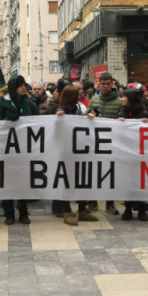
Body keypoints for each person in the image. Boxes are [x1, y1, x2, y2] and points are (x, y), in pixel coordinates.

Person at [0, 75, 39, 224]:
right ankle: (9, 213)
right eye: (20, 85)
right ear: (14, 86)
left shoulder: (29, 103)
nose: (23, 88)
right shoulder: (2, 105)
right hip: (7, 150)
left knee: (23, 181)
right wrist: (7, 121)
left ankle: (24, 212)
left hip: (25, 148)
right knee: (8, 181)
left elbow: (37, 122)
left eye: (24, 85)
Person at [54, 85, 99, 226]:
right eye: (76, 93)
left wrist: (90, 117)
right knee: (67, 182)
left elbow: (86, 120)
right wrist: (58, 119)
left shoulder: (80, 109)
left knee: (82, 182)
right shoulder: (60, 111)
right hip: (66, 152)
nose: (80, 94)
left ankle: (82, 210)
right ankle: (67, 211)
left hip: (80, 150)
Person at [86, 72, 122, 215]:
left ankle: (110, 203)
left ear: (112, 84)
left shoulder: (119, 101)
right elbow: (86, 117)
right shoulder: (94, 100)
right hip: (96, 143)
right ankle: (93, 203)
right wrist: (90, 114)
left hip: (112, 143)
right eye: (103, 84)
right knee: (95, 173)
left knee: (111, 174)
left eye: (108, 84)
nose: (106, 87)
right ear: (99, 84)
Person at [117, 87, 148, 222]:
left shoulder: (143, 114)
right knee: (128, 183)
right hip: (126, 154)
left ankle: (142, 210)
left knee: (140, 183)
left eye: (124, 97)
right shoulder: (122, 113)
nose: (122, 99)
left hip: (140, 154)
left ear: (130, 99)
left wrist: (147, 124)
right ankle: (128, 208)